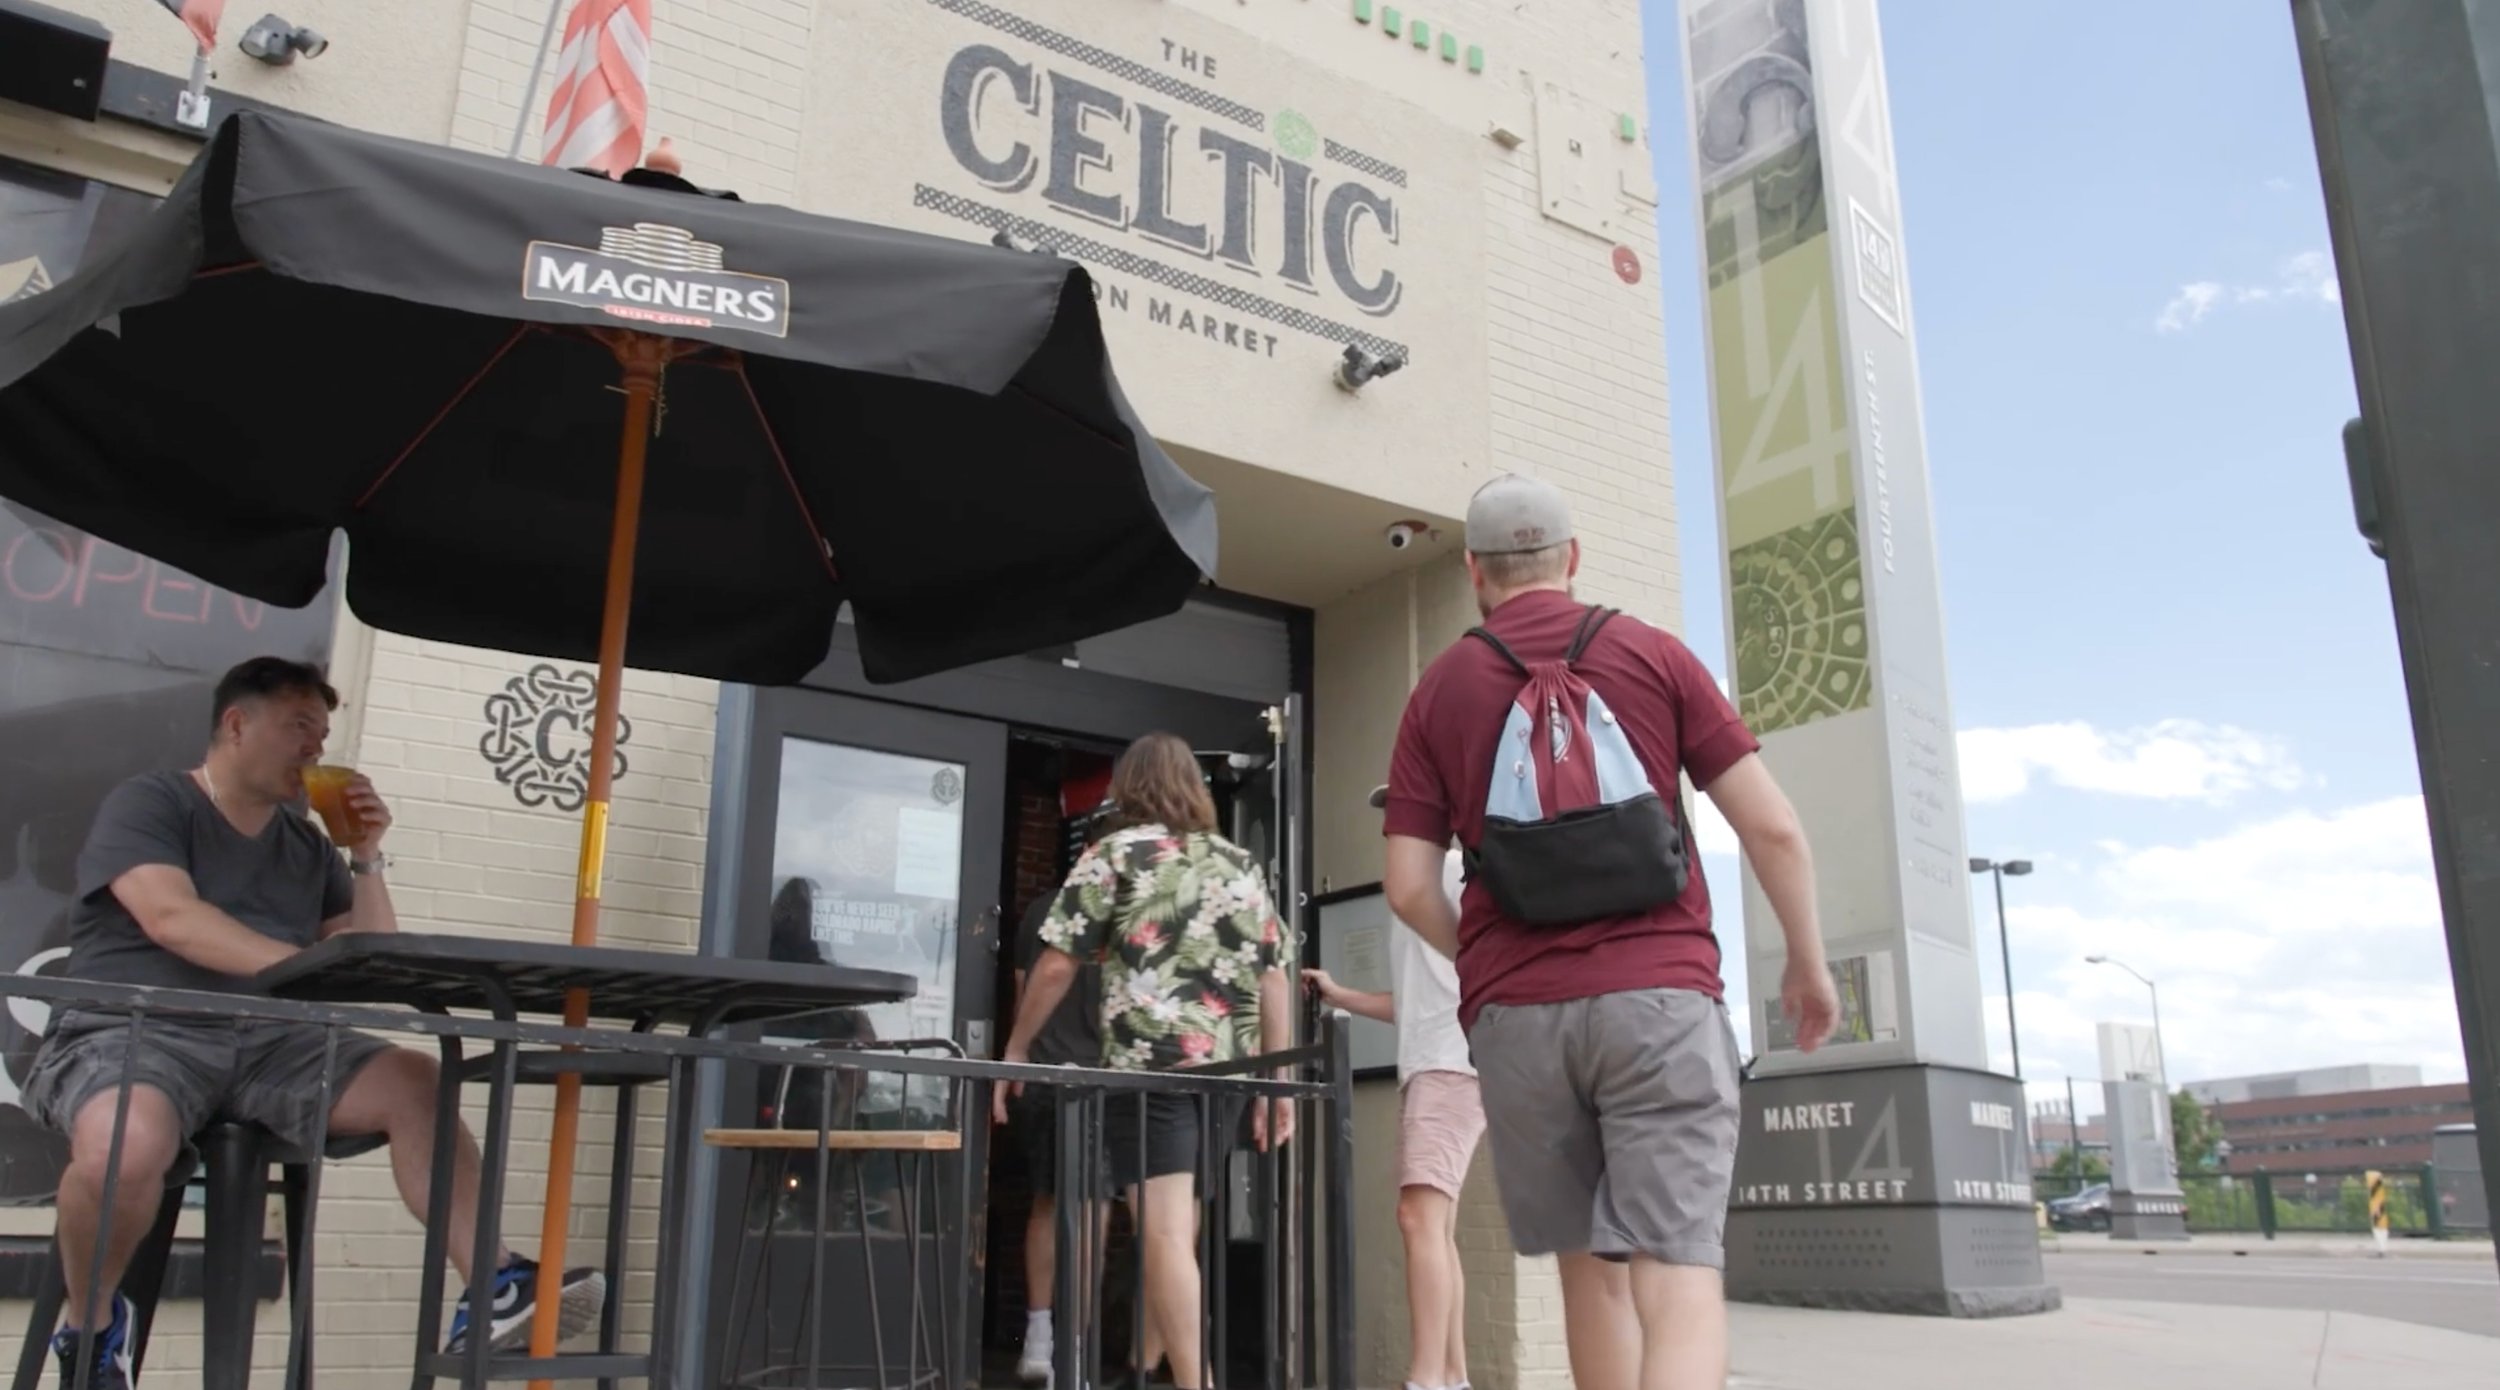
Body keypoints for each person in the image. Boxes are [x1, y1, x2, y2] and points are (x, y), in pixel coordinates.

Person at [21, 658, 604, 1389]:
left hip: (271, 1043)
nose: (316, 749)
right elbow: (173, 919)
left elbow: (371, 962)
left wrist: (364, 855)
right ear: (237, 724)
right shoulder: (155, 802)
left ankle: (493, 1285)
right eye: (300, 727)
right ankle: (95, 1329)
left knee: (413, 1078)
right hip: (137, 1028)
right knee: (123, 1147)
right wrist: (301, 969)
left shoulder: (307, 845)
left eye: (323, 733)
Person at [1379, 477, 1839, 1390]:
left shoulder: (1438, 690)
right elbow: (1774, 826)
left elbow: (1406, 885)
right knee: (1677, 1271)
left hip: (1520, 1021)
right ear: (1573, 559)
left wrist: (1481, 967)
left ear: (1475, 571)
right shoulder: (1653, 654)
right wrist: (1807, 961)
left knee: (1591, 1278)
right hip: (1661, 1003)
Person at [1003, 732, 1295, 1390]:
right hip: (1225, 1074)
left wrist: (1018, 1046)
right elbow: (1274, 979)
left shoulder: (1117, 853)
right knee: (1178, 1226)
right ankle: (1147, 1365)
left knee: (1162, 1232)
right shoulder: (1236, 863)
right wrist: (1278, 1083)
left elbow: (1055, 964)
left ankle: (1196, 1382)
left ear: (1129, 787)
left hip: (1152, 1065)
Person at [1302, 786, 1479, 1390]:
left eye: (1403, 810)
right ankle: (1450, 1378)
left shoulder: (1454, 875)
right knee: (1435, 1227)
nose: (1392, 823)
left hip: (1451, 1067)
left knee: (1417, 1218)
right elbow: (1420, 1001)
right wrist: (1341, 994)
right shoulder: (1417, 889)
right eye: (1387, 812)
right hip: (1437, 1064)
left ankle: (1427, 1379)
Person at [991, 886, 1106, 1385]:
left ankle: (1040, 1337)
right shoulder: (1138, 905)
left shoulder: (1040, 908)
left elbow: (1023, 995)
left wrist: (1015, 1055)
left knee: (1047, 1202)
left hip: (1041, 1069)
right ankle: (1075, 1346)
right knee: (1092, 1211)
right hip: (1106, 1076)